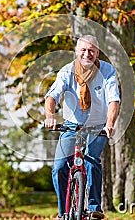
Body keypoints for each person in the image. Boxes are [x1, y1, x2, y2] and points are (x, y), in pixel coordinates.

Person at [44, 35, 120, 219]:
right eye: (83, 50)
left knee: (92, 161)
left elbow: (113, 100)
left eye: (91, 50)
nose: (87, 54)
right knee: (60, 167)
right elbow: (52, 95)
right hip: (71, 124)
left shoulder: (108, 70)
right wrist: (50, 116)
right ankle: (63, 212)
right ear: (77, 51)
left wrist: (109, 124)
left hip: (97, 125)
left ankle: (94, 208)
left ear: (97, 53)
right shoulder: (67, 71)